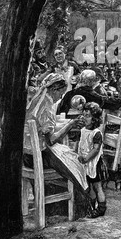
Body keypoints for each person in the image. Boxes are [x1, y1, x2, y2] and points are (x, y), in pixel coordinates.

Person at [25, 73, 89, 216]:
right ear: (54, 89)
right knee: (76, 161)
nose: (61, 97)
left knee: (67, 154)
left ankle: (54, 208)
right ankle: (77, 210)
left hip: (26, 156)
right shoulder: (46, 106)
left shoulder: (35, 101)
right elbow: (51, 140)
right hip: (40, 157)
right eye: (61, 92)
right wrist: (70, 124)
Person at [77, 102, 108, 218]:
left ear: (94, 118)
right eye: (84, 115)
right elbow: (81, 144)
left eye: (88, 116)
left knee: (97, 187)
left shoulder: (96, 133)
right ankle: (91, 206)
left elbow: (95, 150)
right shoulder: (83, 130)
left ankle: (101, 208)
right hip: (85, 163)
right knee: (88, 186)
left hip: (95, 163)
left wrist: (86, 158)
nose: (85, 118)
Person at [57, 69, 121, 117]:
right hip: (85, 128)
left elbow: (59, 111)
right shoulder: (92, 95)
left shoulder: (69, 94)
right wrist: (119, 101)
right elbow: (108, 102)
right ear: (92, 81)